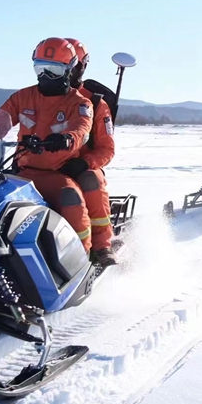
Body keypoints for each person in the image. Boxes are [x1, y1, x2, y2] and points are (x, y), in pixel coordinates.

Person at [0, 37, 94, 253]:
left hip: (55, 174)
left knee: (72, 198)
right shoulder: (22, 97)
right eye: (40, 68)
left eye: (53, 70)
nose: (45, 76)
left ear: (69, 69)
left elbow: (81, 130)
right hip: (20, 172)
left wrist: (66, 139)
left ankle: (81, 255)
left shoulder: (80, 103)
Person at [61, 38, 118, 266]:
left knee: (91, 181)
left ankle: (101, 245)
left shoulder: (95, 103)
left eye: (72, 65)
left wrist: (85, 162)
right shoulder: (39, 98)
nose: (66, 71)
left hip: (79, 166)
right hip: (42, 165)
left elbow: (107, 148)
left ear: (82, 65)